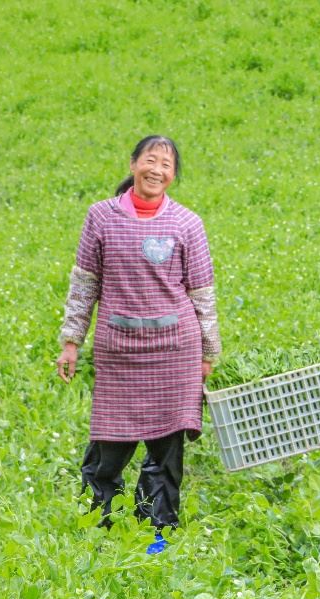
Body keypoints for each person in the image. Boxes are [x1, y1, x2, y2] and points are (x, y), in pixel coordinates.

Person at [56, 135, 220, 554]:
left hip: (175, 352)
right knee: (109, 446)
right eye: (150, 160)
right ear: (132, 164)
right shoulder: (101, 217)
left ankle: (157, 533)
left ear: (173, 176)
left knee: (166, 451)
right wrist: (71, 341)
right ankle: (99, 527)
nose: (157, 170)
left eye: (166, 164)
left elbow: (202, 293)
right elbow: (85, 284)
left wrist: (208, 353)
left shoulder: (188, 223)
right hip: (119, 353)